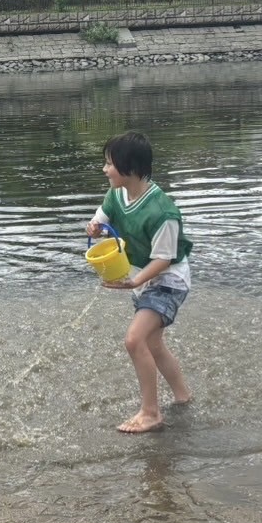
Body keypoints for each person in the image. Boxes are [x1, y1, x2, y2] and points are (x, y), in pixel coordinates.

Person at [86, 131, 193, 434]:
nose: (105, 169)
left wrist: (134, 283)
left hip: (169, 279)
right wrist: (94, 228)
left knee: (134, 340)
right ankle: (184, 397)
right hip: (143, 277)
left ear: (130, 167)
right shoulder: (116, 195)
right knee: (153, 343)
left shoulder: (162, 212)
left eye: (110, 164)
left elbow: (163, 259)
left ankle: (151, 412)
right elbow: (102, 221)